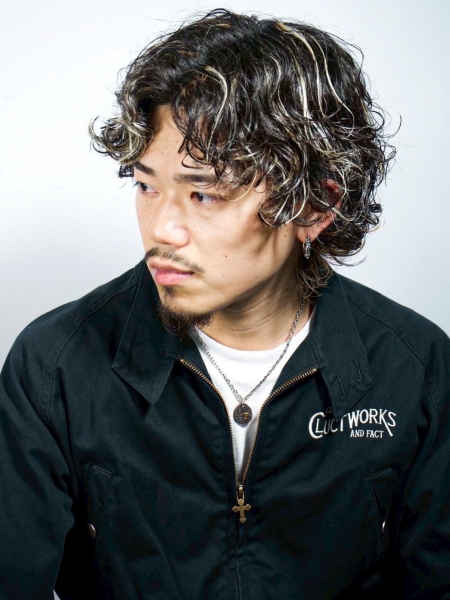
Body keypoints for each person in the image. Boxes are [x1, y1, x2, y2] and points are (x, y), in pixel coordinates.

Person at [1, 8, 449, 599]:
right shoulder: (53, 366)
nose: (162, 229)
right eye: (146, 185)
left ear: (314, 207)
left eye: (204, 193)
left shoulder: (416, 368)